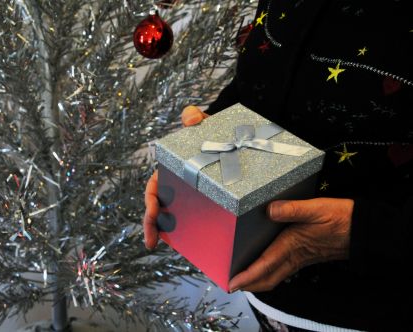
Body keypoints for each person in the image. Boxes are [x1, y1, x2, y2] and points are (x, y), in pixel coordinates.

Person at [144, 0, 413, 331]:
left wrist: (363, 233)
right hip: (267, 299)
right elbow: (262, 79)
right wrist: (200, 149)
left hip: (372, 308)